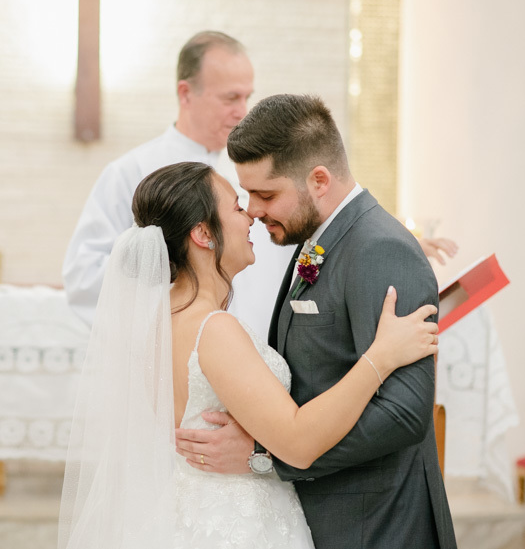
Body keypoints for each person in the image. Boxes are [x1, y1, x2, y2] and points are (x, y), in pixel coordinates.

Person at [57, 161, 440, 548]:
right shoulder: (213, 329)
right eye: (238, 209)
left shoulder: (158, 323)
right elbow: (297, 442)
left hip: (193, 513)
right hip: (239, 525)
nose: (252, 218)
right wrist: (381, 358)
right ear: (204, 234)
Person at [175, 95, 457, 548]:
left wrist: (265, 455)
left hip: (375, 524)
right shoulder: (318, 239)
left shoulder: (381, 249)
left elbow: (405, 414)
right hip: (324, 516)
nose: (253, 209)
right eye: (247, 196)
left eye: (266, 195)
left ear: (319, 180)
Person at [63, 31, 457, 339]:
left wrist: (380, 241)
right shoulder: (132, 172)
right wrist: (183, 298)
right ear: (186, 93)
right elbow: (86, 278)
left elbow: (303, 231)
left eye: (247, 96)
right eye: (230, 97)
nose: (242, 111)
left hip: (264, 348)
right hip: (178, 355)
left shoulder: (257, 169)